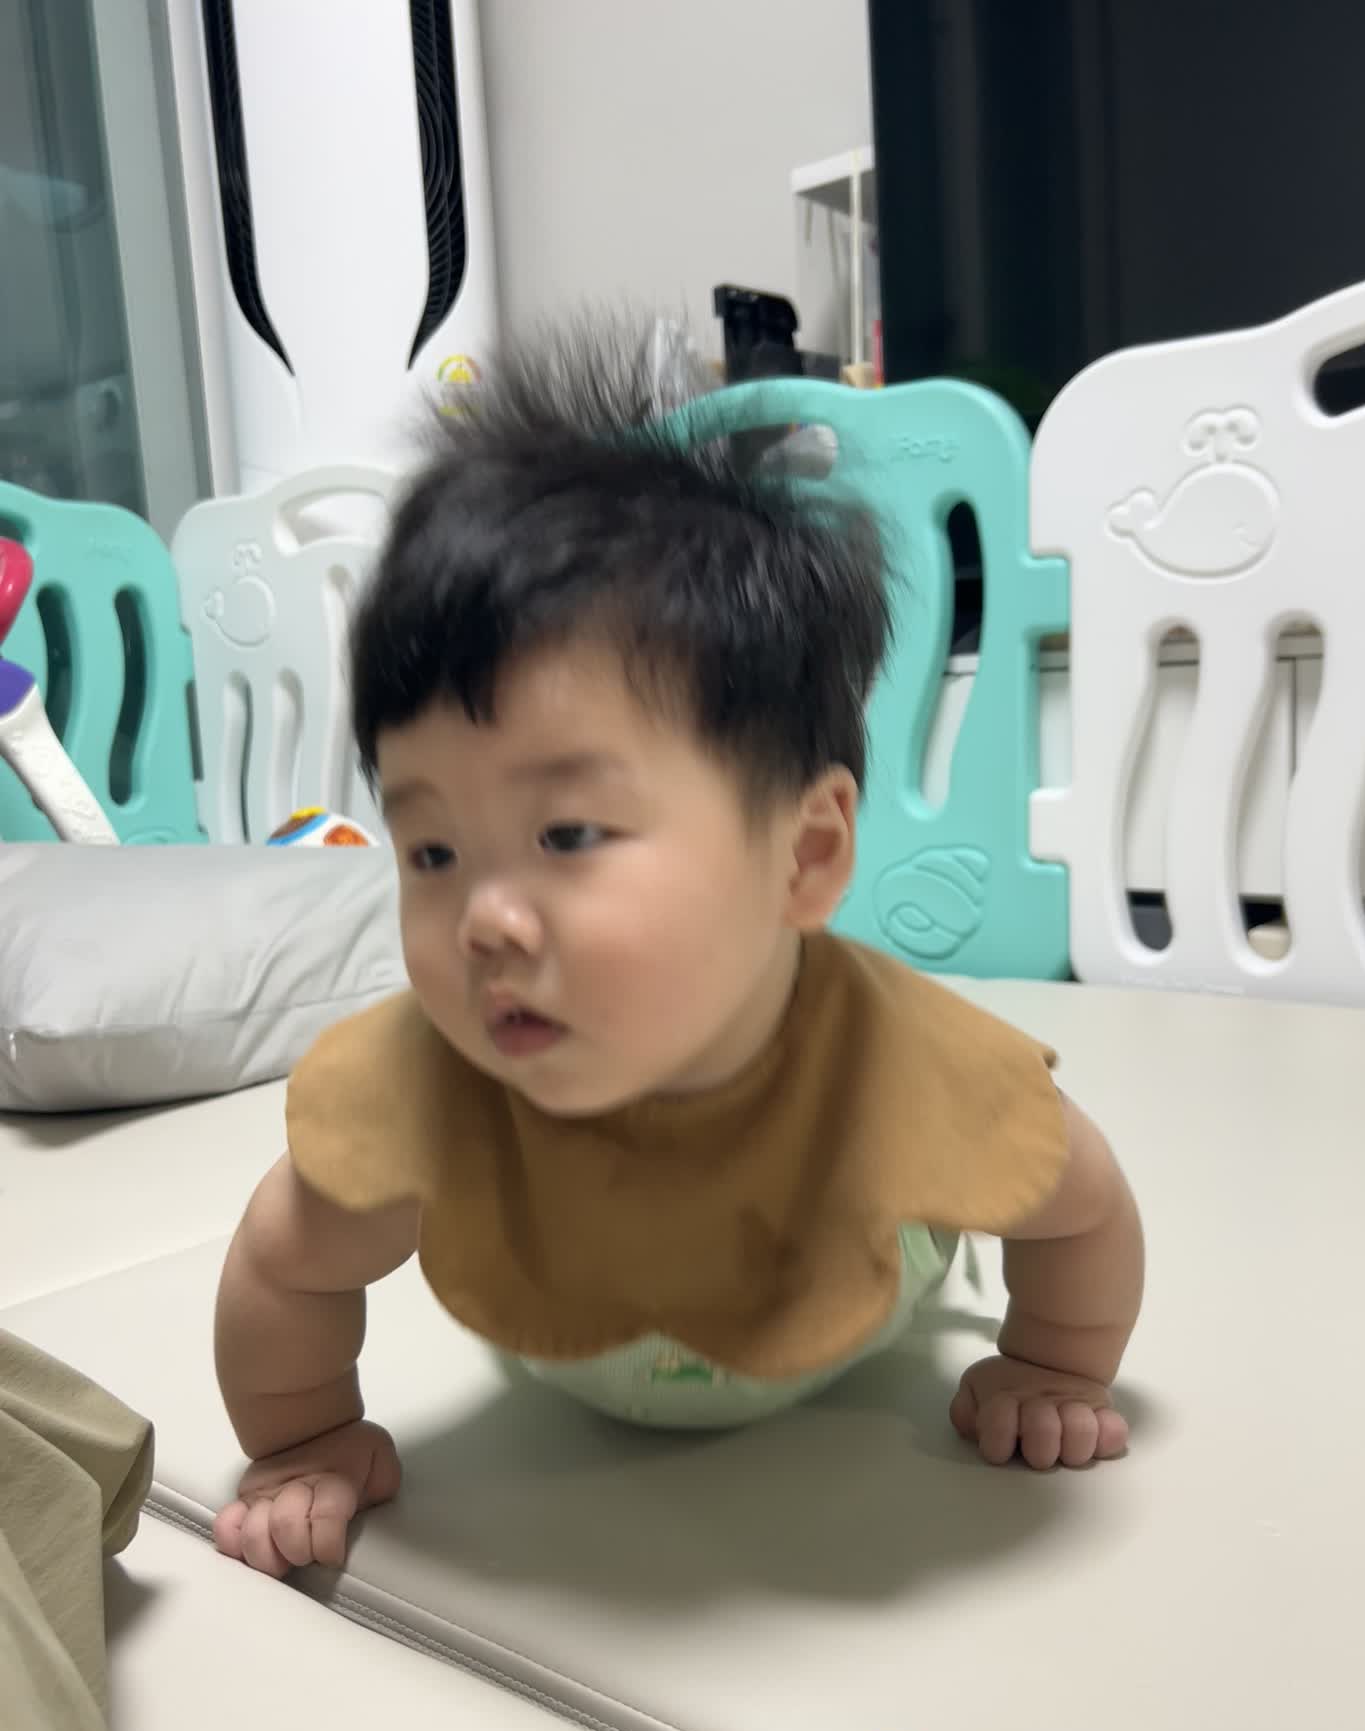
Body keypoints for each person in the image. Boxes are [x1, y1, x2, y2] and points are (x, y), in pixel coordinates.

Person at [213, 318, 1144, 1580]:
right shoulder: (428, 1085)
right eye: (433, 850)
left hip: (855, 1301)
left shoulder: (906, 1074)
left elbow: (1083, 1207)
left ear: (805, 855)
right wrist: (305, 1439)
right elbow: (286, 1268)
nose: (483, 916)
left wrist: (1053, 1363)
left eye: (568, 833)